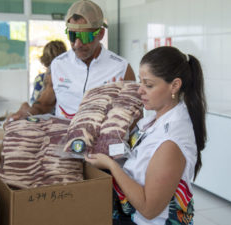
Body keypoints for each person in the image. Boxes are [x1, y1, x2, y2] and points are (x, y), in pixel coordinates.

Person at [85, 46, 207, 225]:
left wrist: (111, 165)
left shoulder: (171, 141)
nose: (139, 90)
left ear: (174, 85)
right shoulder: (155, 119)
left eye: (148, 85)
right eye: (140, 82)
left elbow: (149, 209)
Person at [10, 0, 135, 121]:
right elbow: (44, 105)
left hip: (102, 139)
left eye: (85, 37)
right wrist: (28, 112)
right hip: (64, 138)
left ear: (101, 34)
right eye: (72, 36)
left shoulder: (121, 68)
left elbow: (134, 114)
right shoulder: (58, 65)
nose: (77, 44)